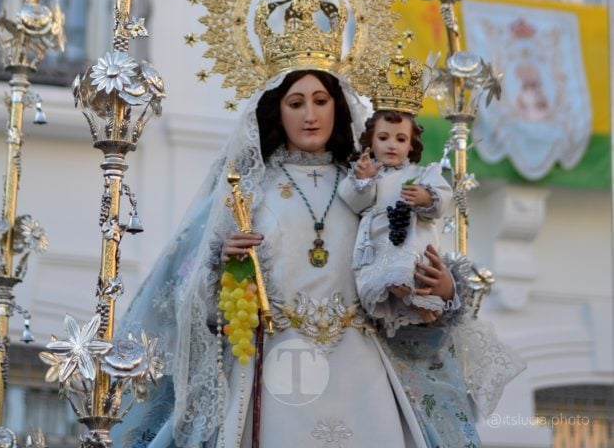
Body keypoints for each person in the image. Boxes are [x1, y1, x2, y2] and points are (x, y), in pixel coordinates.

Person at [116, 68, 472, 448]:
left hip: (362, 376)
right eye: (296, 103)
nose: (310, 116)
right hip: (277, 370)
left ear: (337, 107)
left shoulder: (369, 186)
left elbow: (402, 267)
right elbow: (195, 303)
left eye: (321, 101)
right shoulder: (248, 190)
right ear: (277, 110)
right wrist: (227, 265)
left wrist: (442, 289)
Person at [338, 109, 452, 329]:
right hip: (378, 239)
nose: (392, 145)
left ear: (411, 145)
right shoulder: (368, 172)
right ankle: (398, 304)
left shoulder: (421, 173)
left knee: (412, 271)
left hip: (410, 234)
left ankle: (420, 303)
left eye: (401, 139)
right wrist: (363, 180)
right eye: (383, 138)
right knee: (381, 278)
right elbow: (355, 202)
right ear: (371, 142)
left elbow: (442, 199)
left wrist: (425, 197)